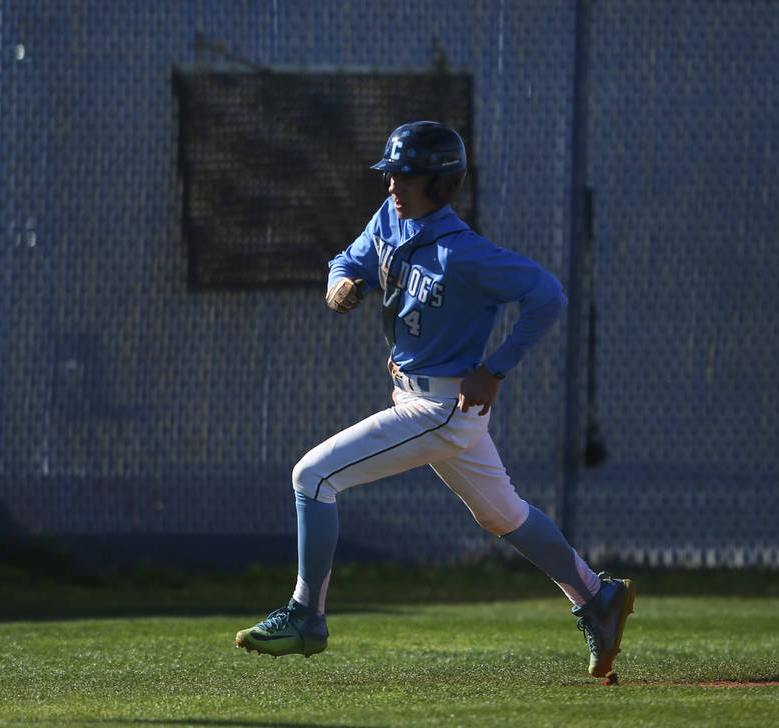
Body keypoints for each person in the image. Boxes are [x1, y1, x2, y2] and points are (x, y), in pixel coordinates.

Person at [235, 121, 635, 679]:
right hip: (421, 402)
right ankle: (598, 597)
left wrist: (494, 369)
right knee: (503, 514)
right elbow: (347, 261)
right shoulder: (389, 218)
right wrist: (341, 285)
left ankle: (307, 616)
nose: (393, 185)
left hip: (441, 409)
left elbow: (547, 295)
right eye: (391, 174)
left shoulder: (464, 253)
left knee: (314, 477)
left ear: (441, 184)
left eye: (406, 176)